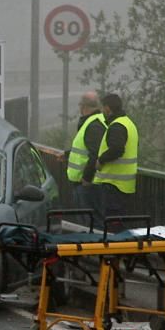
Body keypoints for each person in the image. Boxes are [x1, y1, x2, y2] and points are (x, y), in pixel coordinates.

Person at [94, 93, 138, 229]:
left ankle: (114, 248)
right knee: (118, 222)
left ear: (107, 108)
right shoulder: (128, 123)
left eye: (103, 108)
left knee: (112, 225)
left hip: (113, 184)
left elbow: (117, 149)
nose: (102, 111)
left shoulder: (116, 126)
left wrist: (100, 160)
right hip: (124, 184)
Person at [65, 90, 106, 225]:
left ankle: (92, 244)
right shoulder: (94, 121)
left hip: (87, 184)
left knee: (89, 223)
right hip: (86, 183)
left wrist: (86, 179)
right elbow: (84, 149)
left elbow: (95, 155)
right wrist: (66, 155)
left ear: (83, 107)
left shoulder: (93, 125)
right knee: (87, 221)